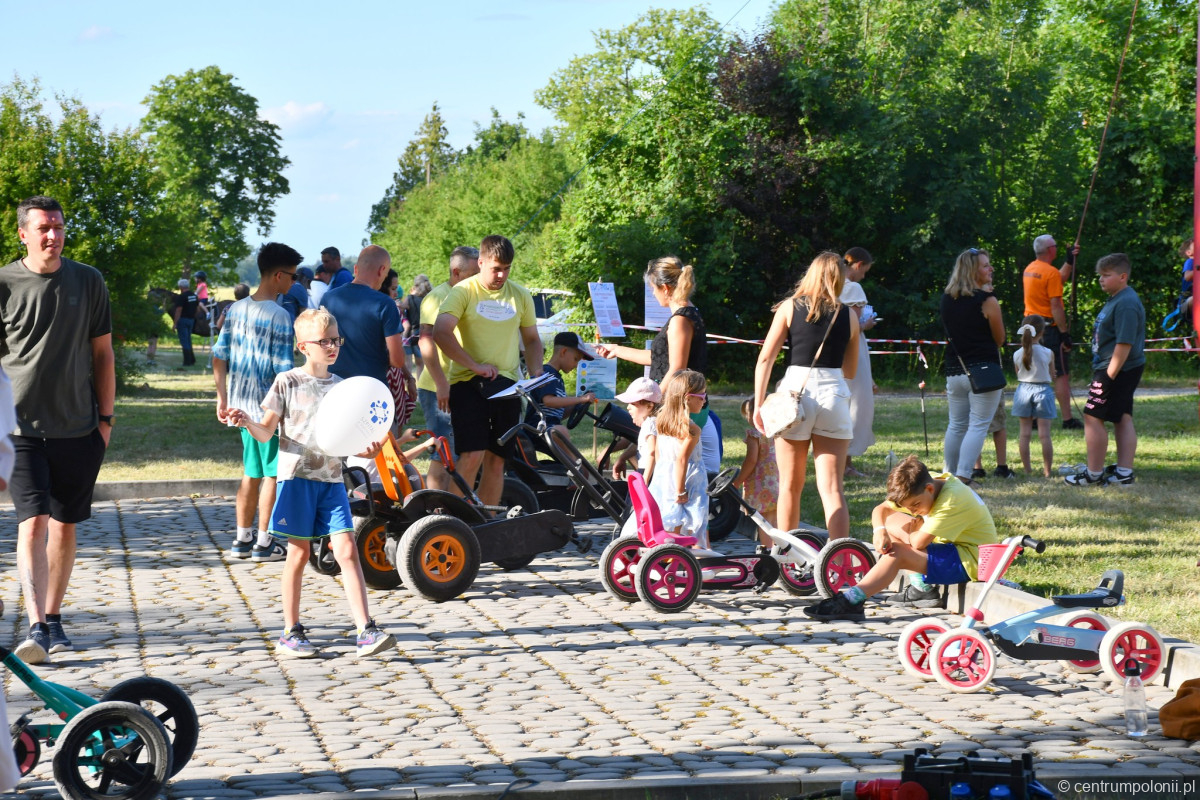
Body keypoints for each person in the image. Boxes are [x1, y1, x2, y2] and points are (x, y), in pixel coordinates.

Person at [227, 309, 396, 659]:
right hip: (297, 481)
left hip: (332, 481)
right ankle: (291, 632)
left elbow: (351, 438)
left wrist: (368, 447)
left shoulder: (342, 387)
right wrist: (247, 422)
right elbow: (266, 432)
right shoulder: (287, 381)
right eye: (324, 341)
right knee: (299, 553)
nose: (332, 346)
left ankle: (365, 629)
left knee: (347, 550)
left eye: (336, 340)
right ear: (303, 346)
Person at [0, 196, 115, 664]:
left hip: (78, 427)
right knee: (33, 522)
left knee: (65, 527)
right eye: (44, 228)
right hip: (19, 428)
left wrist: (105, 421)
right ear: (23, 233)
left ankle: (53, 616)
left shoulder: (88, 281)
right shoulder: (4, 283)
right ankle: (36, 626)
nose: (53, 235)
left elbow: (103, 353)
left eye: (59, 227)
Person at [804, 455, 999, 620]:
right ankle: (921, 588)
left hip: (972, 560)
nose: (912, 511)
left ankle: (850, 601)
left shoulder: (951, 500)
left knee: (897, 553)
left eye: (915, 505)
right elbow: (881, 509)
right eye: (908, 507)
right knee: (890, 523)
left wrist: (914, 531)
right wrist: (879, 530)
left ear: (929, 489)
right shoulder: (929, 482)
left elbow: (918, 543)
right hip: (954, 550)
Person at [752, 251, 859, 539]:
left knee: (789, 485)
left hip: (794, 393)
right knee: (833, 488)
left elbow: (766, 359)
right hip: (833, 394)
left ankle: (788, 554)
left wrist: (759, 404)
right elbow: (850, 370)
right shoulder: (849, 315)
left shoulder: (789, 307)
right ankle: (839, 557)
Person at [434, 235, 542, 507]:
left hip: (508, 386)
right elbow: (441, 333)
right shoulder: (463, 291)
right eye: (496, 269)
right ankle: (454, 520)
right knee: (472, 455)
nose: (501, 275)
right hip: (468, 383)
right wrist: (475, 366)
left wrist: (537, 372)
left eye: (507, 268)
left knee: (497, 460)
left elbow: (531, 340)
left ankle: (487, 522)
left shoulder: (520, 295)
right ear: (480, 262)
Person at [213, 242, 301, 562]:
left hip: (240, 407)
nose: (293, 283)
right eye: (292, 276)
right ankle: (265, 542)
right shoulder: (280, 316)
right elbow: (283, 370)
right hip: (269, 410)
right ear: (278, 276)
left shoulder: (235, 310)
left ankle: (241, 539)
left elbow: (218, 356)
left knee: (251, 472)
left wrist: (222, 398)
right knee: (272, 474)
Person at [593, 256, 719, 472]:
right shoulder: (688, 314)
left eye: (653, 288)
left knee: (667, 470)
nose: (653, 293)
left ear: (666, 288)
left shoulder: (680, 320)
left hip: (679, 407)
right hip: (681, 404)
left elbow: (677, 368)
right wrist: (617, 350)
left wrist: (654, 401)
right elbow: (659, 358)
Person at [1065, 253, 1145, 487]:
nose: (1101, 279)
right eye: (1100, 275)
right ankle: (1123, 473)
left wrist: (1109, 376)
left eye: (1106, 275)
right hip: (1115, 366)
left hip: (1116, 367)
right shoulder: (1117, 299)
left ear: (1122, 276)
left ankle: (1093, 474)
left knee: (1092, 416)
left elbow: (1124, 343)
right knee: (1122, 416)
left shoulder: (1126, 303)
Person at [941, 248, 1005, 487]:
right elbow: (1000, 339)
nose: (991, 268)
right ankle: (963, 477)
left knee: (956, 424)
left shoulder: (947, 299)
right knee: (978, 425)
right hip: (983, 370)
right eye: (986, 265)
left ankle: (949, 475)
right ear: (972, 271)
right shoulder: (987, 301)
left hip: (954, 369)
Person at [417, 246, 479, 492]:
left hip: (465, 386)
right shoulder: (437, 298)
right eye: (474, 273)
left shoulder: (474, 294)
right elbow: (425, 341)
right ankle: (434, 508)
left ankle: (455, 505)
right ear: (456, 272)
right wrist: (441, 382)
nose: (479, 278)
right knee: (443, 453)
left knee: (463, 452)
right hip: (438, 388)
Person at [319, 245, 405, 385]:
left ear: (355, 269)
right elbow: (397, 360)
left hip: (333, 384)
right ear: (382, 270)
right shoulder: (385, 304)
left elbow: (320, 344)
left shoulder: (328, 298)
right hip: (371, 386)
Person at [1023, 234, 1082, 429]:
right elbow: (1055, 305)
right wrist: (1064, 333)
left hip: (1030, 327)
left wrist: (1069, 261)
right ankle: (1067, 419)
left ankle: (1032, 418)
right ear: (1051, 250)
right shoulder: (1050, 273)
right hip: (1049, 329)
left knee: (1035, 372)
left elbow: (1058, 278)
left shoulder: (1030, 269)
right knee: (1060, 374)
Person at [649, 370, 710, 548]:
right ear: (688, 398)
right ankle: (696, 556)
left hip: (665, 478)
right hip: (687, 480)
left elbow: (659, 454)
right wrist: (680, 490)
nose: (704, 400)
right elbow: (682, 460)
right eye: (702, 396)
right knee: (692, 524)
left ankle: (670, 556)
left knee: (672, 523)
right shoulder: (692, 429)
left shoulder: (663, 421)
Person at [839, 247, 877, 477]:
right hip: (851, 351)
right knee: (855, 405)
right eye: (864, 271)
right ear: (858, 265)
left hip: (833, 354)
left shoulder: (829, 287)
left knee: (842, 405)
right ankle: (845, 464)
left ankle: (844, 462)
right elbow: (850, 327)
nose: (863, 276)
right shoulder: (852, 288)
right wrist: (866, 325)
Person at [524, 332, 598, 437]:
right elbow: (549, 401)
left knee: (560, 431)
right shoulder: (546, 373)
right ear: (563, 352)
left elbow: (557, 414)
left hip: (548, 426)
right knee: (560, 431)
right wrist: (581, 399)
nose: (576, 365)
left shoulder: (558, 378)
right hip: (536, 428)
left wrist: (575, 405)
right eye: (576, 359)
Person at [1012, 315, 1057, 477]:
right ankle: (1047, 471)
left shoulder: (1017, 354)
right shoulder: (1048, 353)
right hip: (1043, 391)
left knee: (1024, 434)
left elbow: (1018, 374)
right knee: (1044, 434)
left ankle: (1027, 469)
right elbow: (1052, 375)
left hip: (1023, 391)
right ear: (1042, 332)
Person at [732, 397, 779, 547]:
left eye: (747, 413)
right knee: (775, 519)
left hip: (762, 484)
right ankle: (780, 550)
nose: (746, 417)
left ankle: (768, 550)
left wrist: (737, 481)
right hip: (779, 480)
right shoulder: (778, 432)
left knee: (764, 521)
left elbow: (751, 460)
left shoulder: (755, 434)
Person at [378, 270, 416, 432]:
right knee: (392, 430)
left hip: (393, 374)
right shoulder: (389, 309)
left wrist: (409, 377)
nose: (396, 293)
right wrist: (408, 377)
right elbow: (395, 352)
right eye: (393, 289)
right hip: (388, 376)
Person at [611, 377, 661, 481]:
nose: (628, 407)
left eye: (633, 404)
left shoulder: (650, 424)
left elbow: (652, 452)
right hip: (648, 470)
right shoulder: (649, 423)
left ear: (649, 406)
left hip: (648, 472)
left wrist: (645, 480)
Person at [402, 274, 432, 381]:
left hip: (407, 335)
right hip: (421, 335)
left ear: (415, 285)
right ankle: (419, 387)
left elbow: (401, 309)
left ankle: (409, 386)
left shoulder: (410, 298)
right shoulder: (429, 299)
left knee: (408, 364)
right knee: (420, 365)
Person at [172, 278, 200, 366]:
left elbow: (178, 310)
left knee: (184, 341)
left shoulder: (182, 296)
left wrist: (175, 323)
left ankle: (187, 361)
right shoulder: (194, 296)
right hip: (191, 320)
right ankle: (192, 359)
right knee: (188, 339)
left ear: (181, 287)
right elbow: (197, 308)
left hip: (183, 320)